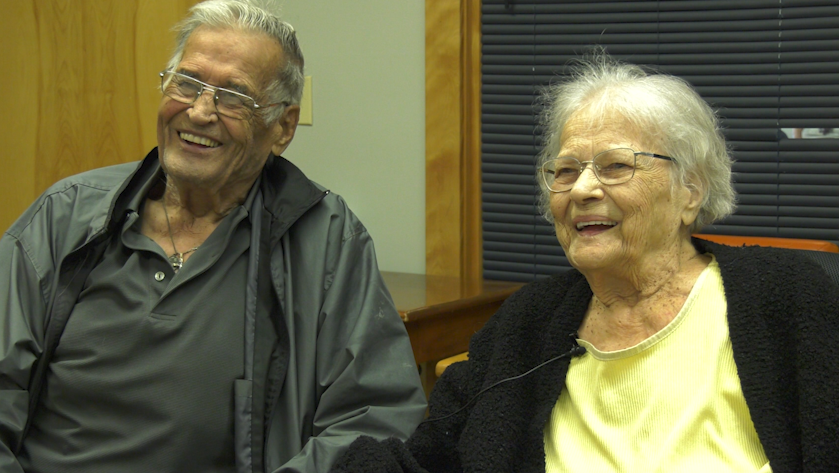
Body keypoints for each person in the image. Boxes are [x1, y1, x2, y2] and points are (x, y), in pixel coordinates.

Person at [330, 52, 839, 472]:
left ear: (690, 191)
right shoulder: (528, 322)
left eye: (617, 166)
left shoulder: (789, 297)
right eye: (566, 170)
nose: (583, 189)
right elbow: (429, 456)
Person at [0, 0, 427, 471]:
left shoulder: (325, 240)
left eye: (234, 97)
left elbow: (376, 418)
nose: (200, 112)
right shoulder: (64, 215)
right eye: (187, 83)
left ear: (282, 127)